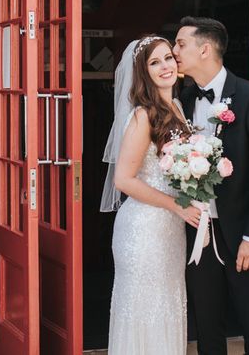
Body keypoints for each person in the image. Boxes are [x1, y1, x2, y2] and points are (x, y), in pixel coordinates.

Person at [173, 17, 249, 355]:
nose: (174, 51)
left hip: (247, 234)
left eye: (180, 44)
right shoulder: (184, 100)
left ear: (204, 49)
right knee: (207, 325)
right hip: (201, 234)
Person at [101, 36, 201, 355]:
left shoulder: (177, 107)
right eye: (154, 62)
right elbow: (124, 179)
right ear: (143, 72)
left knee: (167, 306)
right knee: (145, 310)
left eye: (168, 58)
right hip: (143, 230)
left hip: (170, 230)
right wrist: (177, 205)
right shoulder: (142, 115)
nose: (165, 66)